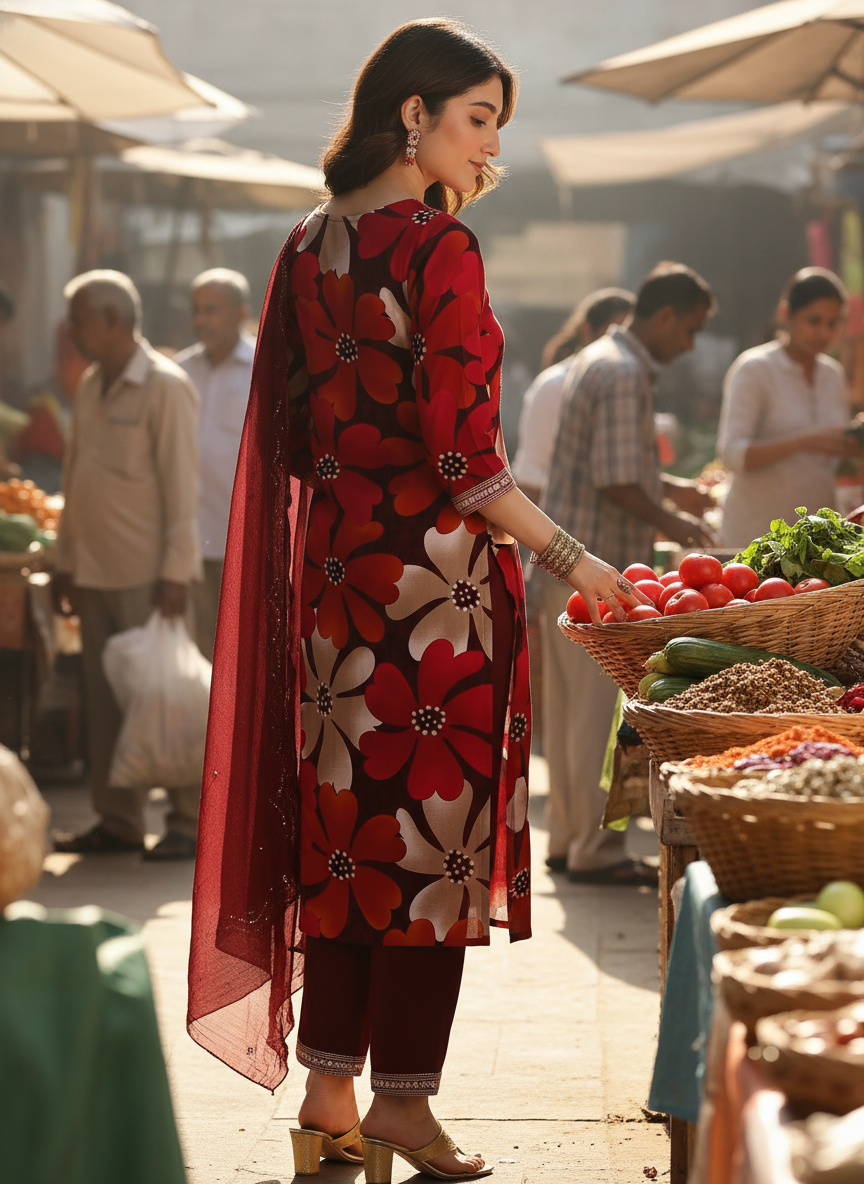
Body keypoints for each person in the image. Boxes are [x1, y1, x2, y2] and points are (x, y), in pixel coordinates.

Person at [186, 19, 650, 1183]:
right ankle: (398, 1106)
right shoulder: (436, 248)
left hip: (338, 596)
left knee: (346, 855)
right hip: (434, 608)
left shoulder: (307, 240)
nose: (492, 144)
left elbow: (294, 434)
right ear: (415, 115)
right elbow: (467, 461)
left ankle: (328, 1100)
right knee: (430, 861)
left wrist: (359, 505)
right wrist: (578, 562)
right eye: (479, 117)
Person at [541, 263, 716, 884]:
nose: (690, 344)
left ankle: (568, 840)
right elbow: (617, 483)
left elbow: (615, 468)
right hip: (593, 577)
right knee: (589, 720)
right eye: (690, 329)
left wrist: (671, 494)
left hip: (567, 569)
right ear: (665, 317)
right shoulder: (622, 373)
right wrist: (676, 521)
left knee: (570, 719)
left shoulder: (603, 359)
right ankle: (591, 848)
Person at [51, 271, 202, 861]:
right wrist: (65, 562)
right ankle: (117, 821)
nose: (73, 332)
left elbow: (182, 488)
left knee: (165, 699)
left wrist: (174, 573)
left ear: (113, 320)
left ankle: (186, 819)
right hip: (93, 570)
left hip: (148, 576)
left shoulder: (165, 386)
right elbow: (73, 478)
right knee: (105, 707)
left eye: (80, 320)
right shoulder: (90, 384)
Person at [718, 267, 860, 548]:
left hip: (814, 542)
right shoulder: (755, 369)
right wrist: (803, 442)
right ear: (786, 314)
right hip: (753, 537)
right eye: (814, 321)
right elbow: (732, 455)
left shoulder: (832, 375)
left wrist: (852, 442)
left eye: (833, 324)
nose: (824, 332)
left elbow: (836, 462)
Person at [175, 268, 255, 661]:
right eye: (197, 311)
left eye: (212, 310)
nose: (201, 320)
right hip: (189, 539)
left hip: (239, 536)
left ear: (241, 312)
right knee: (196, 652)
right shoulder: (180, 372)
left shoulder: (262, 368)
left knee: (238, 652)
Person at [512, 289, 635, 505]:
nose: (621, 346)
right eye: (614, 335)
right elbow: (532, 474)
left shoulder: (625, 384)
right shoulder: (555, 384)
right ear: (587, 331)